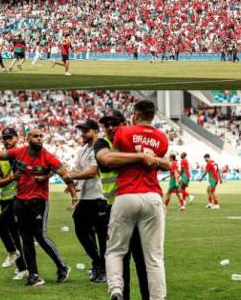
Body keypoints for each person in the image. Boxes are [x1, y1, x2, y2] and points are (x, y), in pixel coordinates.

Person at [0, 128, 77, 286]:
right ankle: (33, 275)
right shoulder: (19, 153)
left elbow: (65, 174)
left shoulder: (48, 156)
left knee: (41, 236)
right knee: (25, 239)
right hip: (20, 201)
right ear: (27, 138)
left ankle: (62, 266)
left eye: (41, 136)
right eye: (35, 136)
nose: (39, 139)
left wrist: (74, 196)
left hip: (39, 202)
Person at [69, 110, 150, 300]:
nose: (111, 127)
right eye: (108, 124)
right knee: (121, 257)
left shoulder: (134, 142)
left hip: (133, 204)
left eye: (115, 123)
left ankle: (145, 295)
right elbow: (106, 161)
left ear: (125, 123)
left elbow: (161, 162)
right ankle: (110, 278)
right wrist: (140, 157)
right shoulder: (102, 144)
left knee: (141, 258)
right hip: (113, 206)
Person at [99, 100, 169, 300]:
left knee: (115, 250)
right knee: (154, 257)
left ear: (136, 114)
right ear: (152, 116)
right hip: (153, 195)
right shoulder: (162, 138)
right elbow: (164, 162)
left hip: (127, 194)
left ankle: (116, 291)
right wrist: (146, 156)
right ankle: (158, 297)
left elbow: (113, 158)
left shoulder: (124, 132)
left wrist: (138, 154)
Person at [68, 119, 108, 283]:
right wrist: (75, 184)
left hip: (100, 197)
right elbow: (79, 171)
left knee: (102, 234)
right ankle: (98, 262)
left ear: (95, 131)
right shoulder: (83, 150)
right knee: (80, 226)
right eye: (81, 131)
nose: (83, 134)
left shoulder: (101, 147)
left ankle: (103, 268)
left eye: (86, 130)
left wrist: (71, 176)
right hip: (86, 196)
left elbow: (92, 172)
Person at [0, 127, 28, 280]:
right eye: (4, 138)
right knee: (14, 233)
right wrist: (13, 178)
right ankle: (23, 268)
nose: (7, 140)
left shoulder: (24, 155)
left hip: (19, 198)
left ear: (16, 139)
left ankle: (15, 256)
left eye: (10, 137)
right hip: (5, 199)